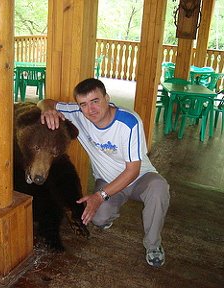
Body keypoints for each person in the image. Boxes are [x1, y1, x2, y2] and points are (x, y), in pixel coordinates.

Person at [37, 78, 170, 267]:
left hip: (140, 178)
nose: (90, 109)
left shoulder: (129, 122)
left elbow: (133, 170)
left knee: (159, 188)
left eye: (95, 101)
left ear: (107, 98)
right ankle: (109, 214)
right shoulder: (78, 114)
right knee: (97, 219)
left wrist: (99, 196)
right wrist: (47, 110)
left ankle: (153, 244)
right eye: (83, 104)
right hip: (107, 180)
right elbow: (46, 101)